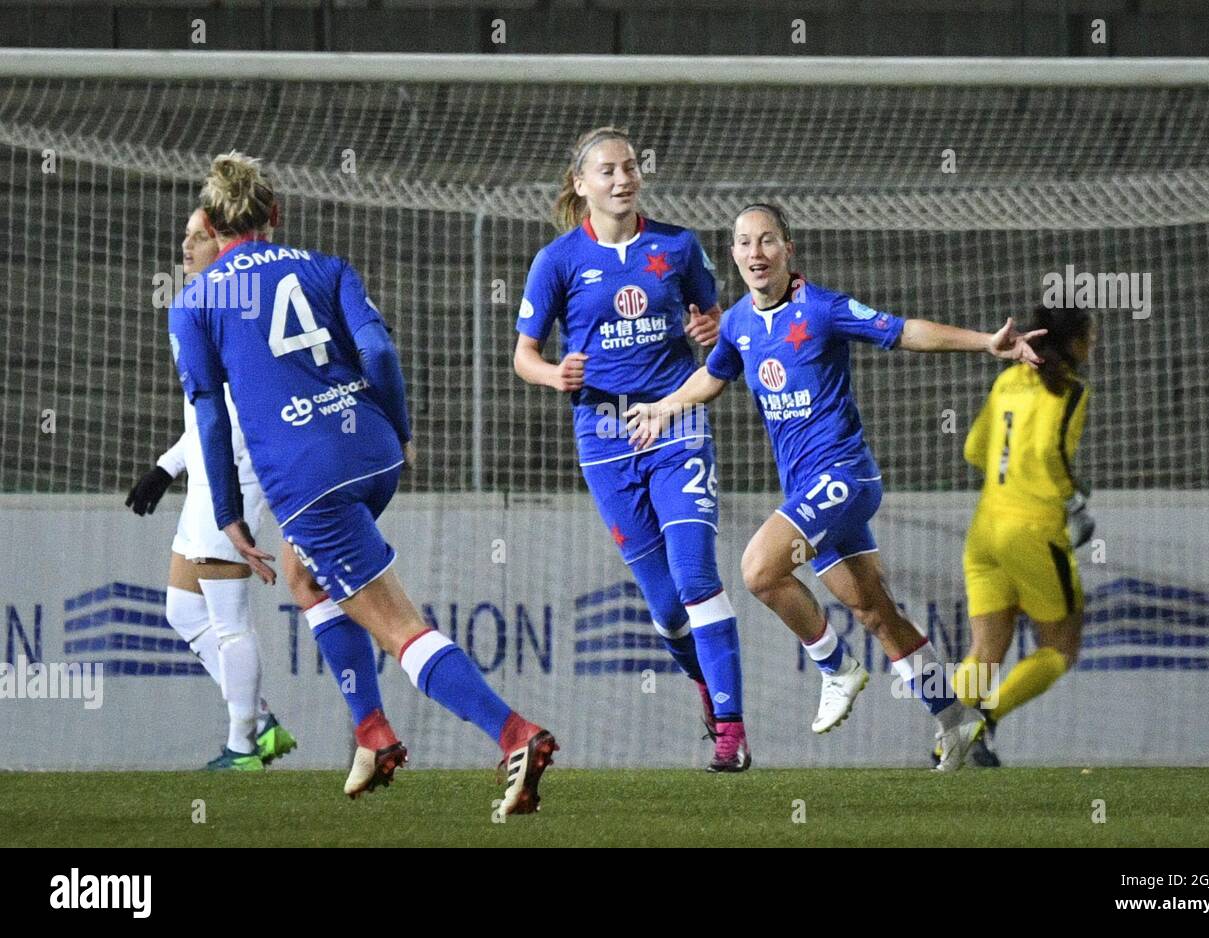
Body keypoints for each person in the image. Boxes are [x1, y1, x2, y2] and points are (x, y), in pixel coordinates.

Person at [169, 152, 557, 813]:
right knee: (305, 574)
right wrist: (400, 431)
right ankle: (373, 733)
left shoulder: (198, 300)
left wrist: (231, 512)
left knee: (397, 626)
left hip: (307, 479)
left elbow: (210, 415)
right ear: (276, 215)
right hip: (373, 451)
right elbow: (378, 352)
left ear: (209, 220)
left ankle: (514, 733)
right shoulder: (325, 266)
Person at [628, 203, 1046, 770]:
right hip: (810, 490)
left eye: (768, 241)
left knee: (758, 569)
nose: (756, 253)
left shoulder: (822, 309)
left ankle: (835, 666)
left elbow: (902, 331)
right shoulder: (738, 325)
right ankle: (955, 718)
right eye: (745, 243)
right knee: (874, 610)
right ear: (733, 255)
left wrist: (984, 343)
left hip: (845, 478)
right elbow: (712, 377)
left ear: (787, 250)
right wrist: (662, 408)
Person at [513, 126, 750, 771]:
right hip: (605, 438)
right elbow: (524, 357)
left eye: (629, 168)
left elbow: (723, 334)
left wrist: (710, 328)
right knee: (668, 611)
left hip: (675, 426)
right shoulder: (557, 261)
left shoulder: (677, 245)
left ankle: (730, 733)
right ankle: (706, 685)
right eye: (608, 171)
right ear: (581, 184)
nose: (623, 179)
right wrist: (552, 373)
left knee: (698, 578)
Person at [126, 207, 296, 772]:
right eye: (186, 234)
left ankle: (245, 746)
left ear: (222, 242)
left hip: (233, 483)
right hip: (206, 482)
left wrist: (229, 487)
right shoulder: (204, 303)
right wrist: (166, 467)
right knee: (181, 609)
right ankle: (260, 720)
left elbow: (234, 419)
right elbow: (206, 416)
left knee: (228, 622)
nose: (185, 245)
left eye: (198, 236)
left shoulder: (233, 307)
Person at [945, 304, 1095, 767]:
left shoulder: (1007, 380)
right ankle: (985, 721)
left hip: (985, 529)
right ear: (1072, 344)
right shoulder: (1070, 393)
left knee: (986, 648)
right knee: (1061, 646)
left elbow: (974, 449)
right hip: (1033, 531)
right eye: (1089, 337)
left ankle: (946, 741)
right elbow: (1053, 456)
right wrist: (1072, 501)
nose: (1093, 345)